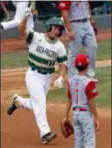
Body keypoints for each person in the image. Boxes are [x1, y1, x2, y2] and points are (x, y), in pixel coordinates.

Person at [7, 6, 67, 145]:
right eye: (55, 27)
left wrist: (60, 77)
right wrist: (25, 17)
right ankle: (45, 133)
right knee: (41, 104)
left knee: (36, 105)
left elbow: (63, 64)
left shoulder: (60, 46)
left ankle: (18, 101)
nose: (57, 30)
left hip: (46, 78)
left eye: (59, 29)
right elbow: (21, 30)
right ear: (49, 26)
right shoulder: (36, 37)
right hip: (33, 75)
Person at [64, 53, 99, 148]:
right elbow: (92, 103)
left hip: (75, 115)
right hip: (86, 115)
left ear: (75, 66)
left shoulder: (70, 81)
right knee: (89, 142)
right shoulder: (89, 82)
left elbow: (69, 101)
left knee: (78, 142)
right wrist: (96, 117)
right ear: (87, 66)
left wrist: (66, 116)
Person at [58, 1, 98, 82]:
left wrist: (91, 19)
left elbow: (87, 5)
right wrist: (69, 30)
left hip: (87, 22)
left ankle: (90, 75)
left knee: (93, 47)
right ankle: (72, 75)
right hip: (75, 23)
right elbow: (64, 12)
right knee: (75, 50)